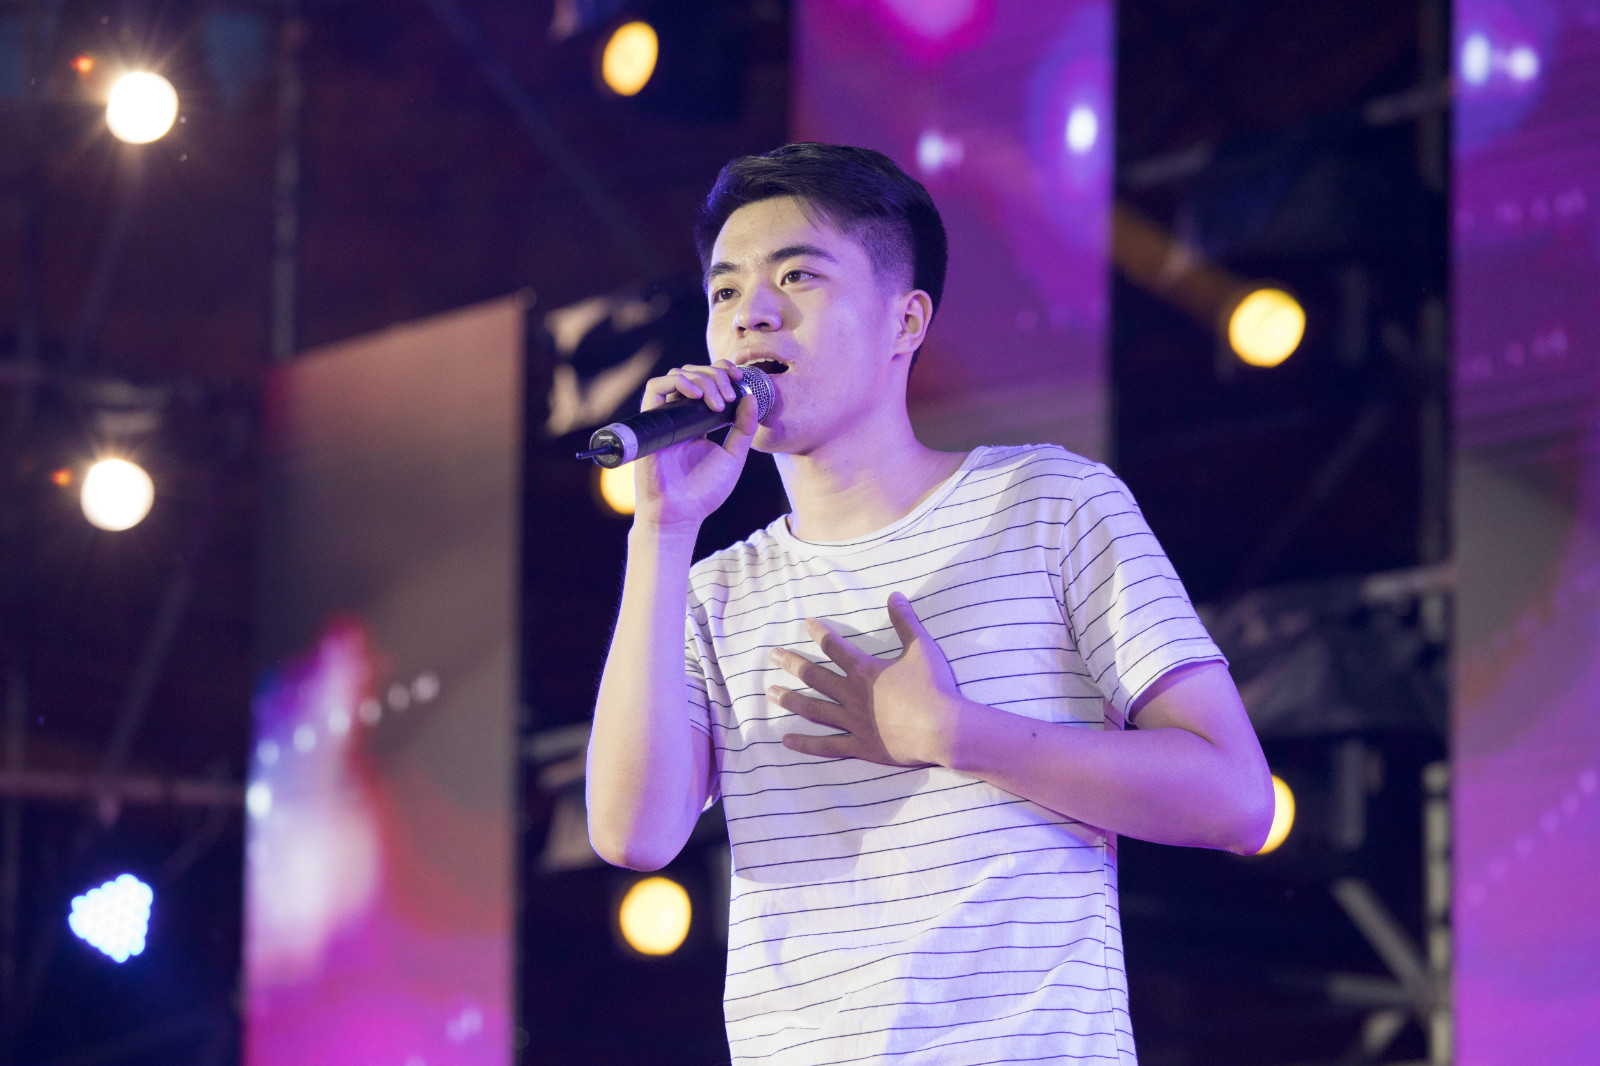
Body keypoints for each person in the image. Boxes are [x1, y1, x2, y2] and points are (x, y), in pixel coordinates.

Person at [585, 142, 1273, 1065]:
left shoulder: (1048, 503)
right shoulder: (712, 590)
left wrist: (955, 734)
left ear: (904, 320)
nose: (751, 313)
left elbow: (1236, 799)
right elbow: (630, 832)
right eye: (724, 291)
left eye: (797, 276)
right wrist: (662, 530)